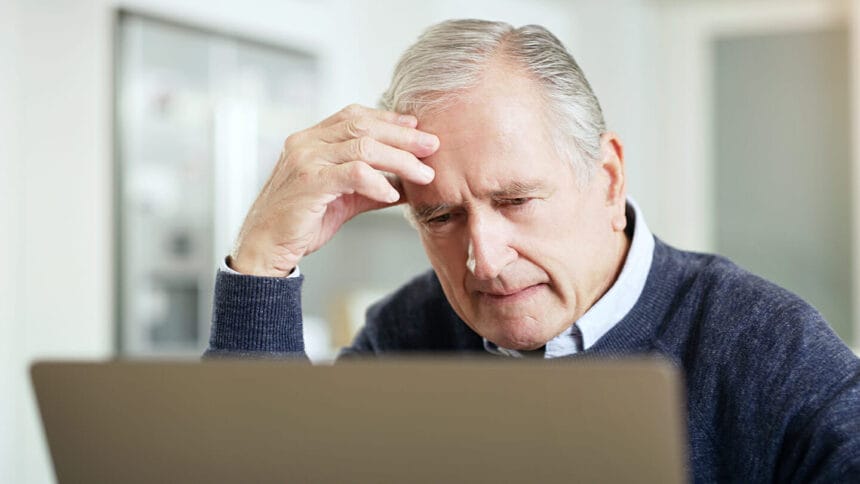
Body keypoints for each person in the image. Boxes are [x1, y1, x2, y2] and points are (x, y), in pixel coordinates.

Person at [206, 19, 860, 481]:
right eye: (441, 216)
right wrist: (261, 263)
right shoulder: (406, 334)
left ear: (606, 179)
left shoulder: (767, 347)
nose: (483, 260)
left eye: (516, 200)